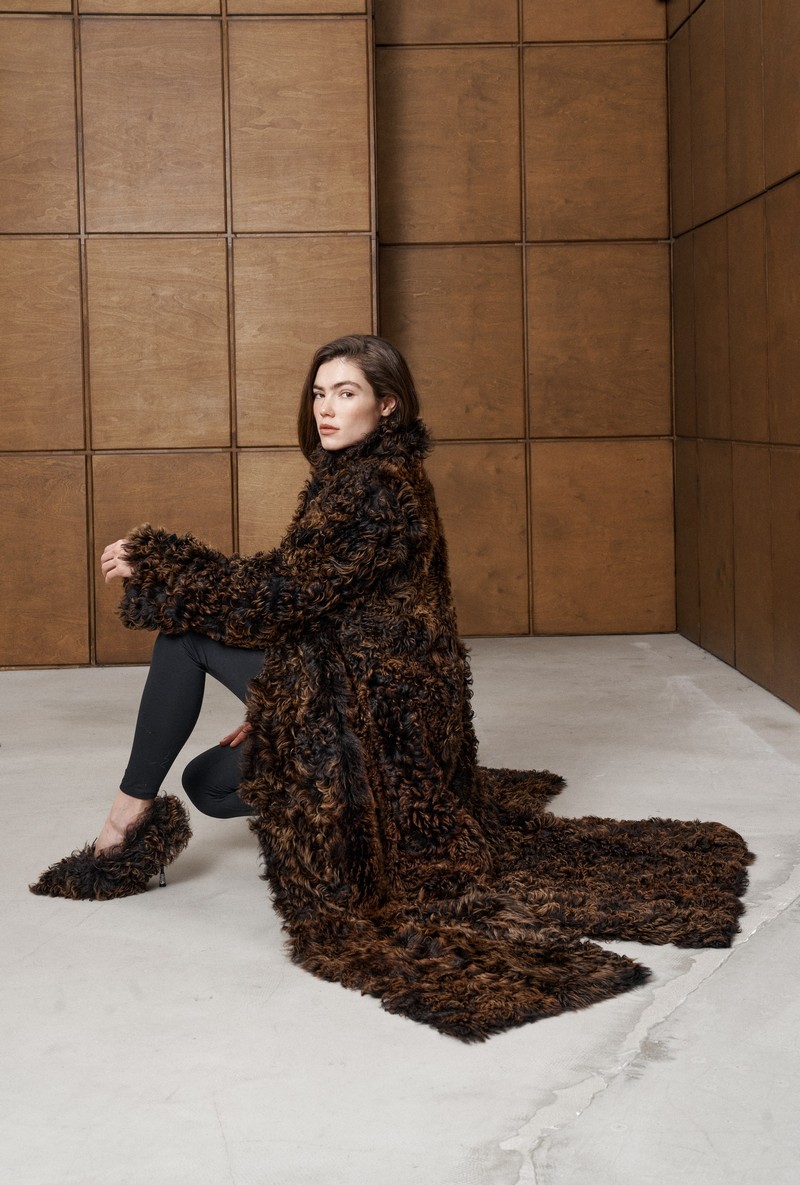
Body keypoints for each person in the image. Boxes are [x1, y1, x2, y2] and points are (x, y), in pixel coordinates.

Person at [31, 334, 753, 1041]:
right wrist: (283, 697)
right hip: (361, 691)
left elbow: (284, 596)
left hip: (383, 723)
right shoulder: (354, 475)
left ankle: (125, 825)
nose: (326, 408)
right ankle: (150, 814)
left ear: (388, 406)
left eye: (346, 393)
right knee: (205, 782)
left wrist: (166, 563)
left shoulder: (380, 489)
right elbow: (316, 605)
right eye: (320, 393)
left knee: (187, 665)